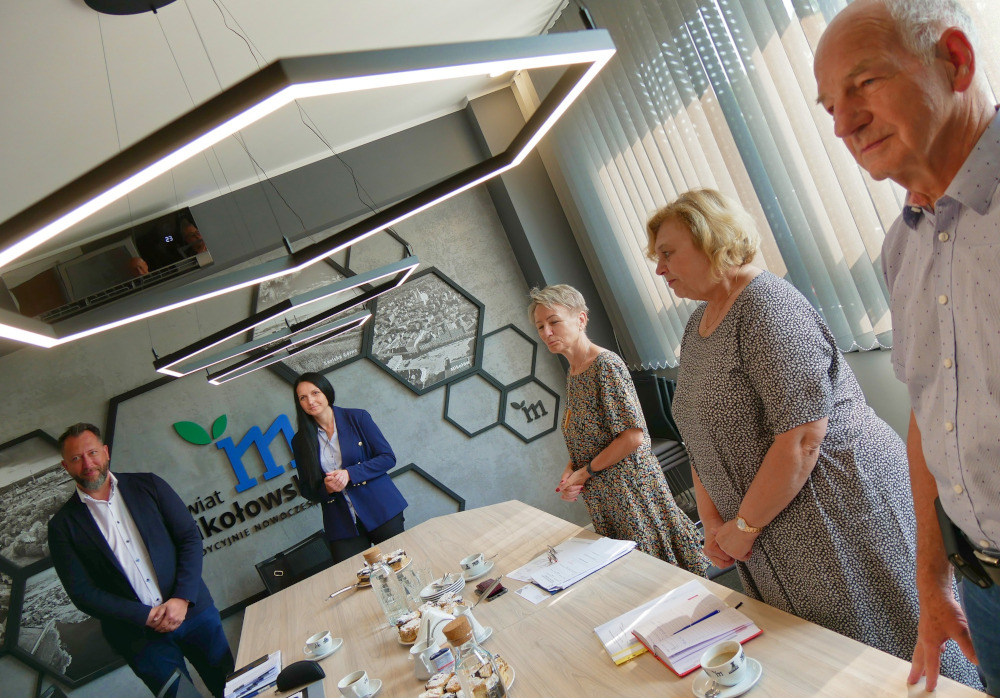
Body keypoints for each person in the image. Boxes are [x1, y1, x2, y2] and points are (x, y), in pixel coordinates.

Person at [646, 188, 979, 686]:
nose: (659, 269)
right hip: (763, 530)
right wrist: (713, 521)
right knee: (825, 665)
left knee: (886, 648)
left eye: (668, 253)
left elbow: (802, 438)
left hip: (836, 511)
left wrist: (743, 527)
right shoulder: (697, 326)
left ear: (711, 238)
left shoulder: (767, 306)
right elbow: (695, 431)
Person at [815, 0, 1000, 692]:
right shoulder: (903, 248)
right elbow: (931, 413)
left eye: (864, 83)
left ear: (956, 60)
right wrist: (933, 582)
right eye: (829, 106)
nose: (843, 123)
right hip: (984, 588)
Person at [529, 285, 710, 575]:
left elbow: (633, 436)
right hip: (605, 493)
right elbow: (586, 434)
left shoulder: (605, 365)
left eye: (554, 322)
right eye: (540, 326)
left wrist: (584, 472)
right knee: (635, 576)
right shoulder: (574, 371)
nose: (547, 332)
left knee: (660, 574)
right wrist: (571, 471)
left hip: (631, 490)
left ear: (581, 319)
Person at [47, 423, 234, 697]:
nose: (87, 464)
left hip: (194, 614)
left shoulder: (149, 485)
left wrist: (182, 598)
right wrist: (144, 616)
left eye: (92, 452)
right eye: (76, 458)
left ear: (106, 452)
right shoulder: (62, 526)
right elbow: (82, 593)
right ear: (66, 466)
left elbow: (189, 539)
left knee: (234, 690)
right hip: (140, 639)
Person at [291, 371, 407, 563]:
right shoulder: (300, 441)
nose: (310, 401)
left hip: (381, 508)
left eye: (315, 393)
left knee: (399, 567)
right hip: (341, 523)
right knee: (355, 576)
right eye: (303, 397)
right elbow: (306, 489)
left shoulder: (357, 417)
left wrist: (350, 473)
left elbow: (387, 458)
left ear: (326, 392)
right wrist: (327, 488)